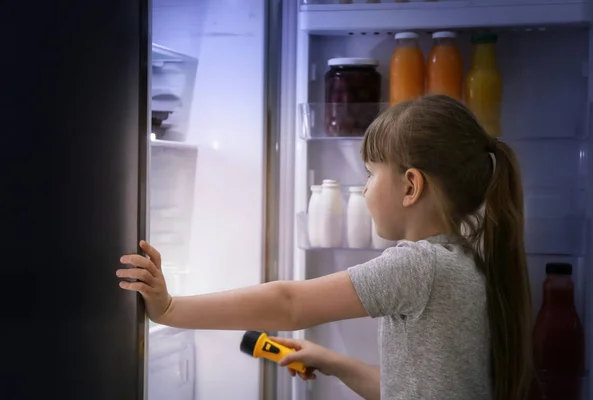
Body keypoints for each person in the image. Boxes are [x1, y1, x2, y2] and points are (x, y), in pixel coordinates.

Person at [116, 95, 533, 400]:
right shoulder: (465, 262)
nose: (366, 188)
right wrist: (333, 361)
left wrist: (170, 308)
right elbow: (404, 391)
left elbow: (289, 303)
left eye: (370, 175)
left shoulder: (418, 265)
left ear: (410, 185)